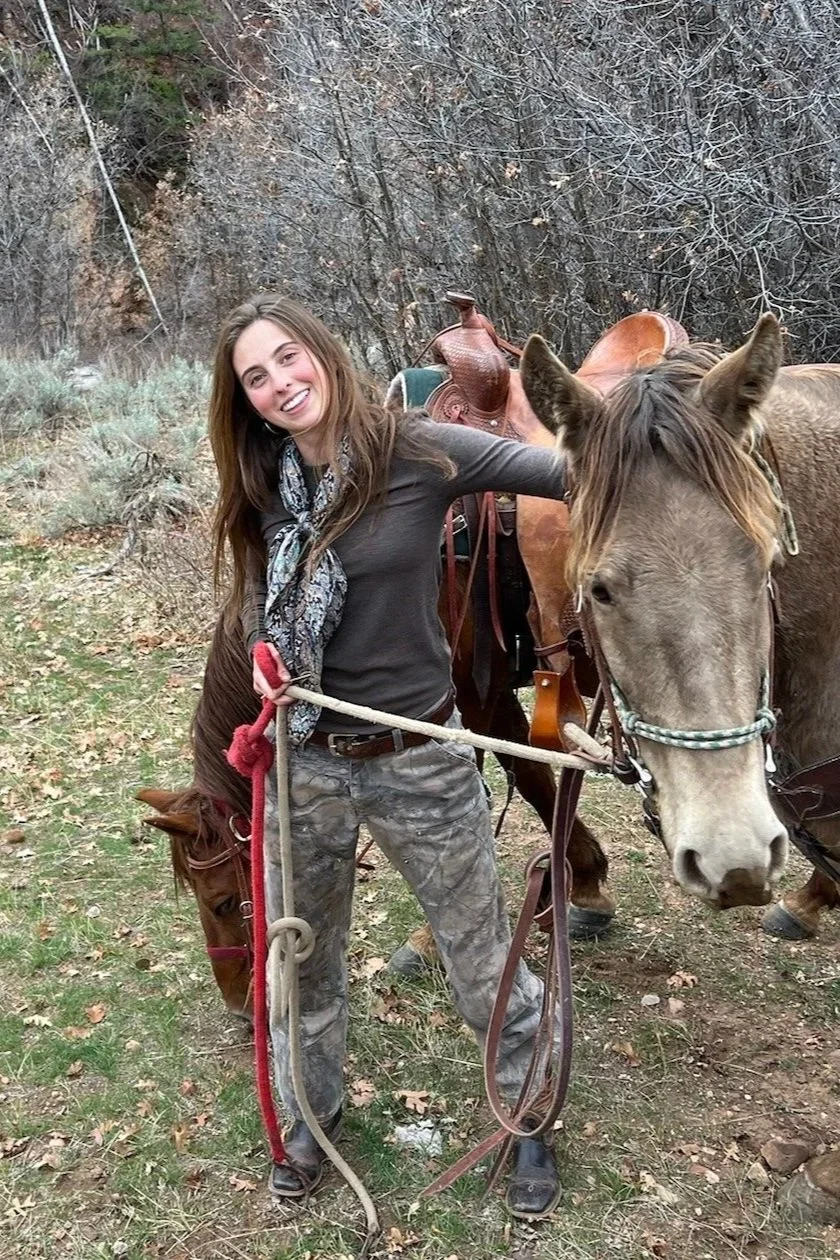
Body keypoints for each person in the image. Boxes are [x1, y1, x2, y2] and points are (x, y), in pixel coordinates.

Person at [208, 293, 568, 1220]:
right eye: (257, 377)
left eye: (289, 357)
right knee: (303, 961)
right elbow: (254, 599)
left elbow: (569, 472)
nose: (282, 383)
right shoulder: (264, 482)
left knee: (479, 956)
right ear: (247, 401)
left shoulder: (420, 450)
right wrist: (261, 659)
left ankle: (528, 1113)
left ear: (321, 352)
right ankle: (307, 1119)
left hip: (419, 757)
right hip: (303, 761)